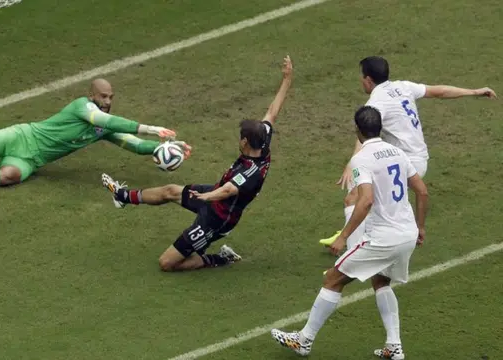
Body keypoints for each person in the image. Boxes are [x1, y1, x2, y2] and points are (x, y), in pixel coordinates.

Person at [100, 55, 293, 272]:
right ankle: (122, 196)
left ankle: (221, 258)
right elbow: (272, 113)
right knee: (170, 191)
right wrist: (287, 78)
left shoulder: (250, 172)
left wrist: (205, 197)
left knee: (167, 263)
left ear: (245, 141)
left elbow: (228, 190)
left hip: (217, 218)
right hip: (214, 197)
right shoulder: (263, 141)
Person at [272, 106, 429, 359]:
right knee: (381, 280)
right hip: (407, 234)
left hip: (383, 238)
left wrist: (343, 236)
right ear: (380, 128)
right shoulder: (398, 152)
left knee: (333, 278)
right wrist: (420, 227)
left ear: (357, 130)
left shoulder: (362, 159)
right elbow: (422, 191)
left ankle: (304, 340)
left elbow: (365, 201)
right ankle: (394, 345)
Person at [319, 56, 496, 249]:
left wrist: (351, 163)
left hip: (402, 162)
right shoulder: (403, 86)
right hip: (418, 158)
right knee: (368, 201)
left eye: (362, 77)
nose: (361, 81)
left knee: (356, 199)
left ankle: (352, 248)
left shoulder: (377, 101)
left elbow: (364, 132)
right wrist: (475, 91)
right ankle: (355, 235)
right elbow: (440, 91)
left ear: (368, 80)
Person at [0, 78, 191, 186]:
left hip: (32, 160)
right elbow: (112, 123)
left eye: (111, 97)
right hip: (21, 136)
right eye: (103, 96)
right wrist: (152, 128)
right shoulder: (82, 108)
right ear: (91, 95)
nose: (107, 101)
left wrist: (166, 148)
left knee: (6, 178)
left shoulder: (100, 129)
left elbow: (133, 144)